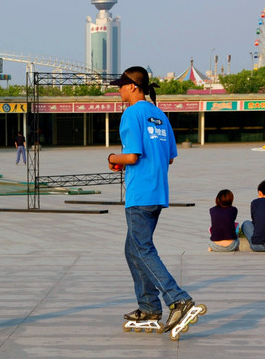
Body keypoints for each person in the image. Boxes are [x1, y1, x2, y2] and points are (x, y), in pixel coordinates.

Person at [107, 66, 196, 333]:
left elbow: (132, 156)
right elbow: (169, 156)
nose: (119, 90)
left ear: (133, 86)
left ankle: (178, 300)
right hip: (158, 191)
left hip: (140, 193)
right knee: (133, 249)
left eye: (121, 86)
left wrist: (112, 159)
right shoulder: (160, 115)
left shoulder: (131, 113)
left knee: (142, 249)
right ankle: (148, 307)